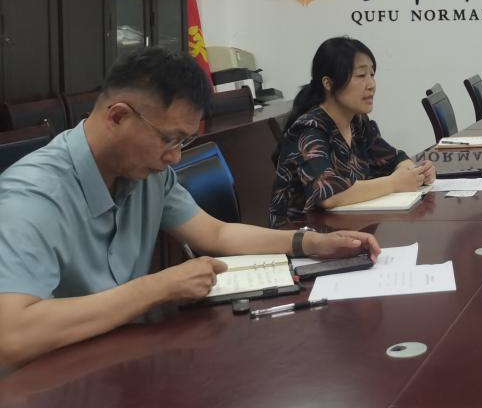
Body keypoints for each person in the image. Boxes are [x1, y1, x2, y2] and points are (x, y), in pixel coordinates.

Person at [0, 48, 380, 373]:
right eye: (170, 139)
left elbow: (216, 233)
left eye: (183, 141)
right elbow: (12, 335)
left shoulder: (148, 173)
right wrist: (156, 288)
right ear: (117, 117)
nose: (175, 157)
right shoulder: (31, 196)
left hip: (116, 365)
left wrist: (311, 244)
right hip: (42, 395)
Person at [269, 36, 434, 227]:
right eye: (361, 76)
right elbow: (328, 194)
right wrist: (395, 183)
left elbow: (395, 159)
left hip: (346, 229)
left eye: (372, 74)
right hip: (300, 236)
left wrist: (417, 173)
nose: (371, 85)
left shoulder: (357, 123)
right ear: (328, 83)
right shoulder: (309, 130)